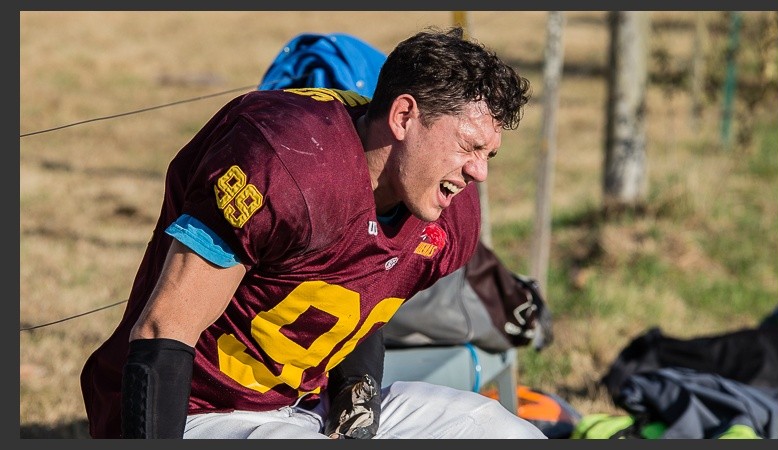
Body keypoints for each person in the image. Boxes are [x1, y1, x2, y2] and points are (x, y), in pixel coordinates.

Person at [80, 26, 542, 439]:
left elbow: (366, 294)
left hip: (302, 409)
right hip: (195, 413)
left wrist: (355, 410)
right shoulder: (289, 162)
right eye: (469, 146)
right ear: (404, 117)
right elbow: (166, 327)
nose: (479, 172)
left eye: (490, 155)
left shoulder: (448, 216)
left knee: (496, 429)